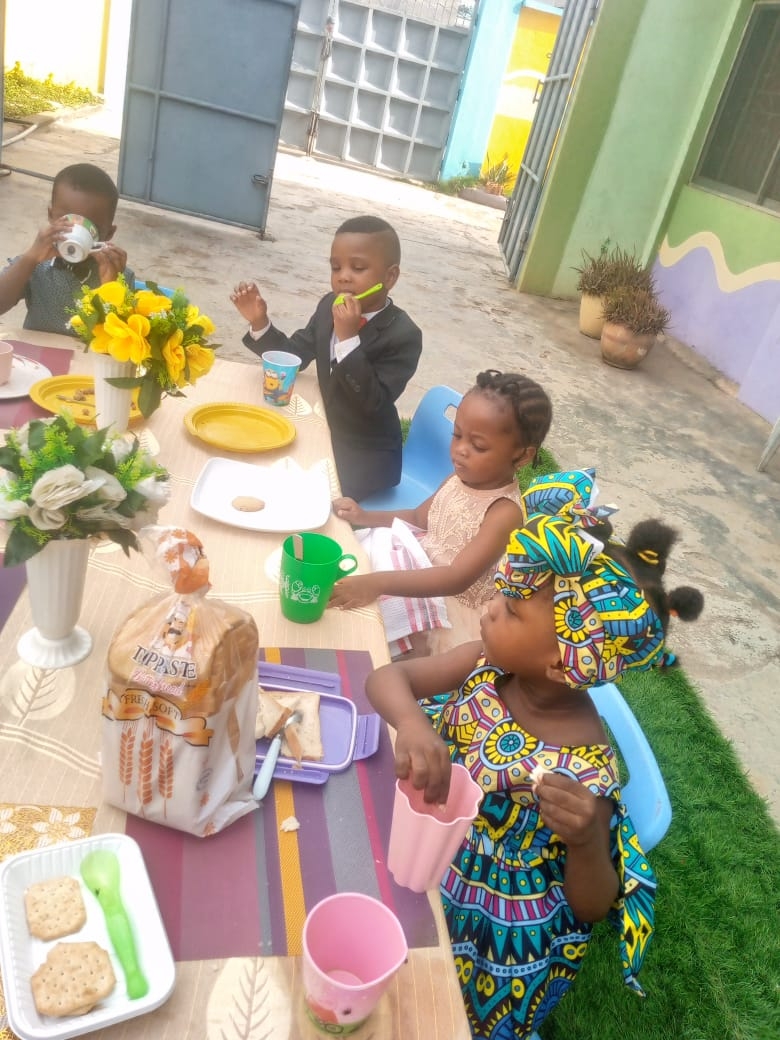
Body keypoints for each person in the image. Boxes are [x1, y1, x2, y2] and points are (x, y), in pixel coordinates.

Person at [365, 470, 703, 1040]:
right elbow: (387, 680)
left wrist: (586, 839)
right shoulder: (485, 663)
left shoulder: (586, 770)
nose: (491, 608)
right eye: (503, 595)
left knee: (427, 1005)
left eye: (512, 610)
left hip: (489, 913)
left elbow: (591, 905)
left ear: (561, 660)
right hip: (425, 828)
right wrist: (414, 724)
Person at [329, 370, 552, 657]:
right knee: (358, 565)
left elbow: (455, 578)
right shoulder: (457, 479)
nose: (460, 450)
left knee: (373, 635)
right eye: (457, 435)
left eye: (478, 445)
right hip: (420, 566)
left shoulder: (504, 513)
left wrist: (378, 583)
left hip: (448, 606)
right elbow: (418, 519)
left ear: (522, 455)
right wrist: (364, 517)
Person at [230, 215, 422, 501]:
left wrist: (348, 340)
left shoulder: (403, 335)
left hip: (363, 456)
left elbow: (373, 403)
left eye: (358, 268)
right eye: (336, 267)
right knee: (253, 454)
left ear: (389, 277)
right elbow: (296, 354)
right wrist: (259, 322)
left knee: (297, 496)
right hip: (321, 426)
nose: (343, 276)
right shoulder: (328, 306)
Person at [0, 163, 133, 334]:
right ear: (51, 216)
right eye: (67, 221)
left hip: (88, 352)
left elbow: (123, 337)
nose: (76, 233)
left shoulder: (119, 274)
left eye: (90, 228)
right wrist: (30, 259)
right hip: (38, 350)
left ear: (108, 233)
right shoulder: (35, 264)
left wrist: (112, 286)